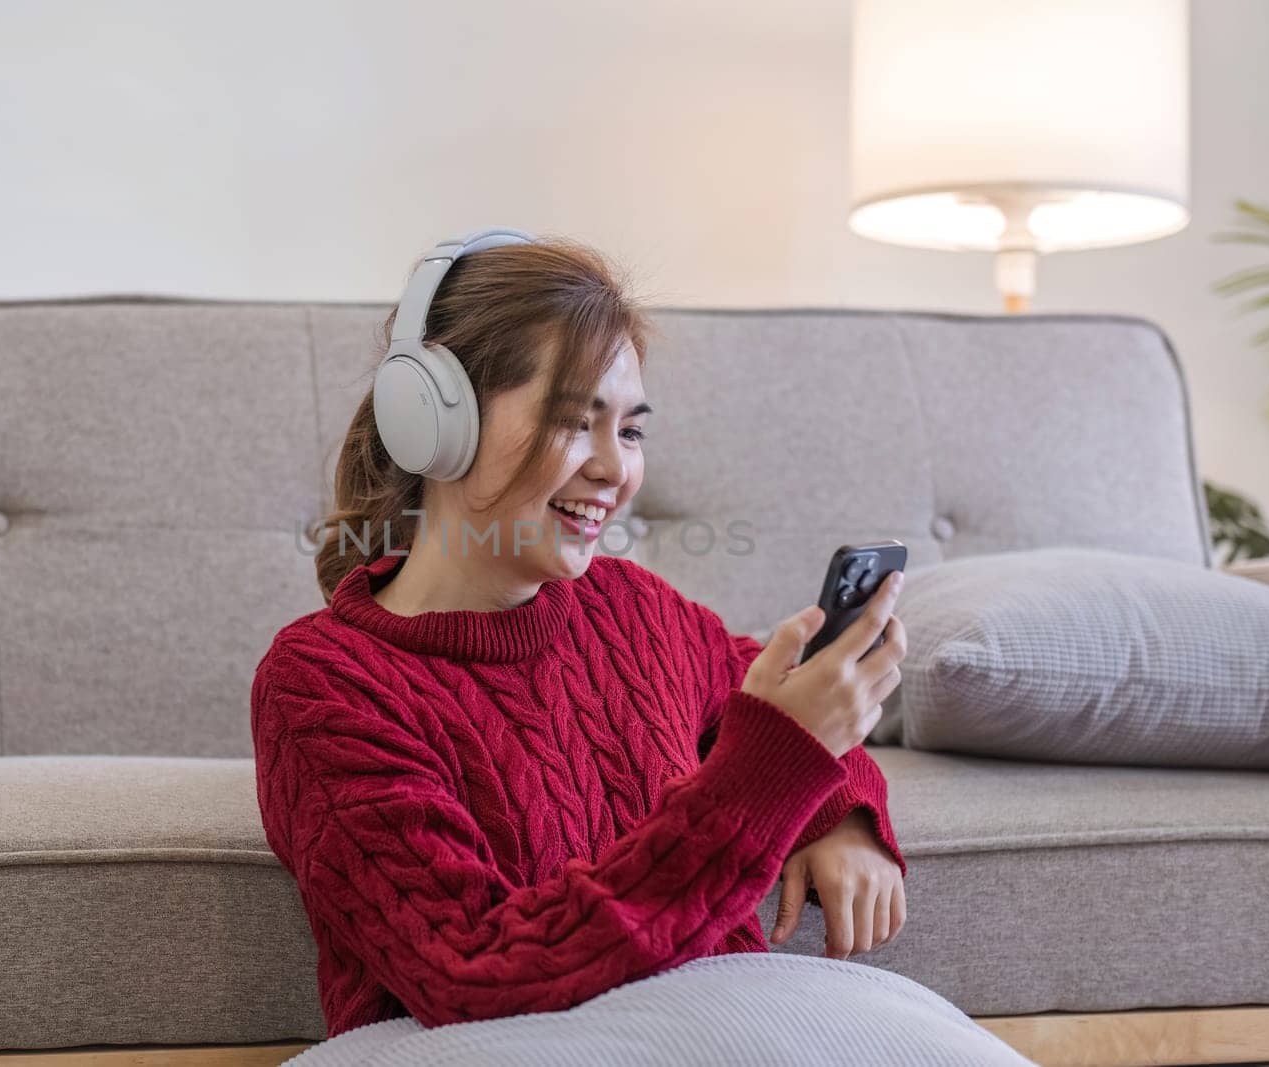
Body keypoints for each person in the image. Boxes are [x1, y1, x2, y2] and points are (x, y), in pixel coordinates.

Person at [251, 229, 908, 1040]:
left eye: (630, 430)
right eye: (575, 422)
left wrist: (836, 805)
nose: (615, 470)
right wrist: (775, 774)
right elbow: (470, 968)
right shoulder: (321, 683)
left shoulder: (635, 608)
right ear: (433, 425)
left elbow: (783, 704)